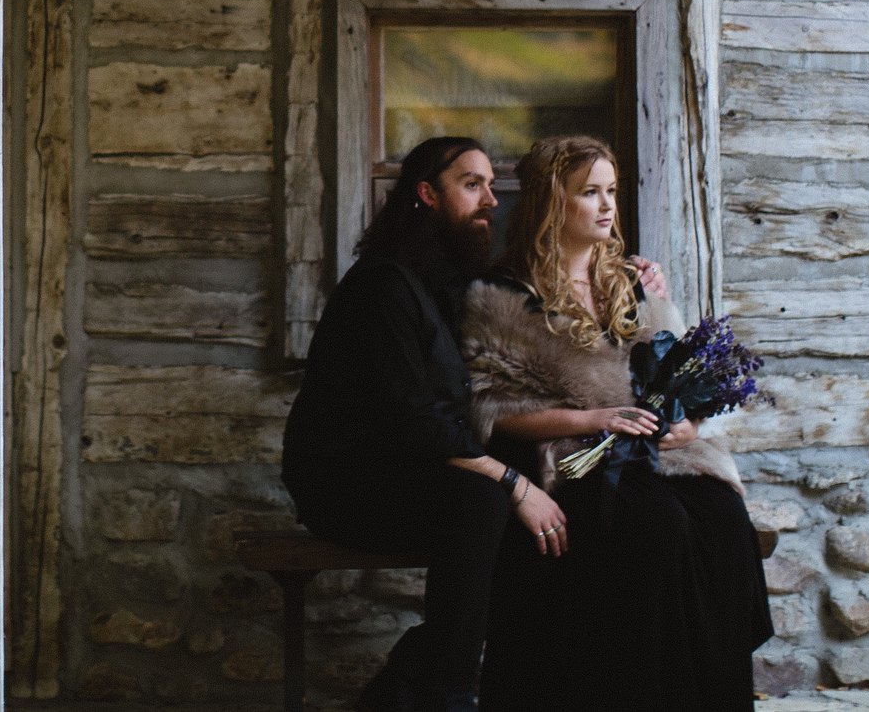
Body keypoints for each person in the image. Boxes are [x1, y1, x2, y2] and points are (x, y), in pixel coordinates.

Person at [461, 134, 772, 711]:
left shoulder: (628, 282)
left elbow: (673, 376)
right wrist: (594, 416)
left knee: (724, 519)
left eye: (611, 192)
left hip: (650, 452)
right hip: (573, 459)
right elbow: (496, 411)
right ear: (553, 202)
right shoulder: (505, 293)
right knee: (657, 528)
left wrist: (687, 428)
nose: (607, 206)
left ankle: (714, 696)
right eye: (589, 193)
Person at [282, 136, 568, 712]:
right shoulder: (382, 286)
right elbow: (413, 420)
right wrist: (513, 485)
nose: (491, 199)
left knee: (544, 502)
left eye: (491, 184)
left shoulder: (446, 285)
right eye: (472, 184)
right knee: (489, 501)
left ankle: (408, 689)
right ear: (426, 194)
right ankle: (450, 692)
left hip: (417, 474)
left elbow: (537, 298)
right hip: (347, 486)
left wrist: (632, 277)